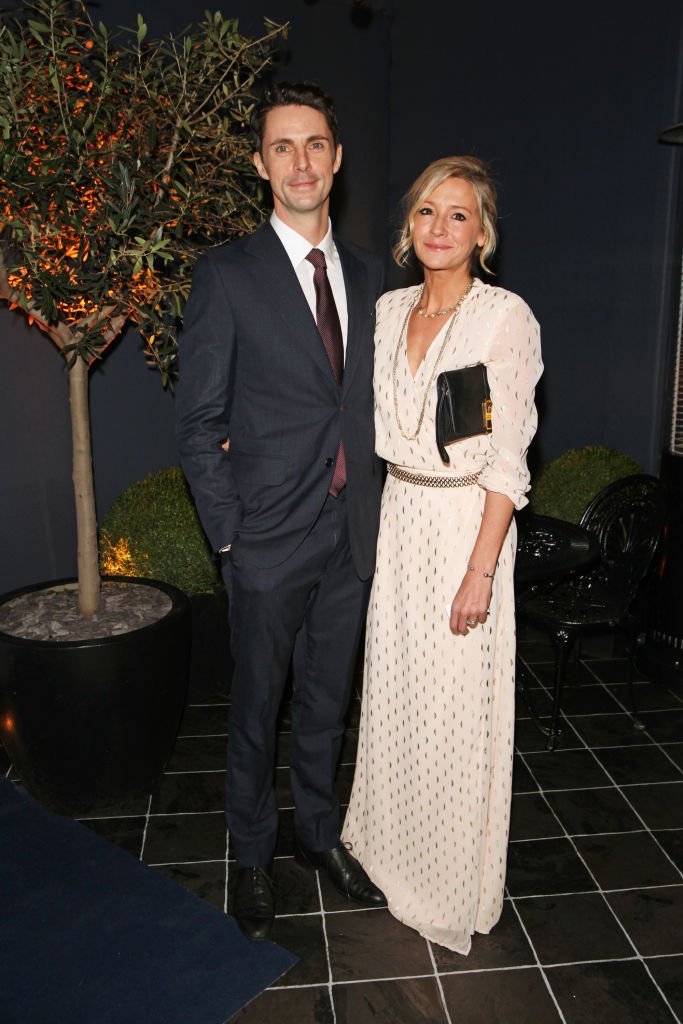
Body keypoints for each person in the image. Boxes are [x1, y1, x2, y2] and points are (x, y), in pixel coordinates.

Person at [175, 82, 385, 941]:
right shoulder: (226, 275)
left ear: (336, 158)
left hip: (352, 533)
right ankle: (253, 857)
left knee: (329, 701)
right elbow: (197, 425)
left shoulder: (375, 276)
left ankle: (318, 835)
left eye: (315, 145)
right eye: (282, 147)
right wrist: (230, 537)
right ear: (259, 165)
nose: (300, 161)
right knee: (256, 709)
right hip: (264, 539)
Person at [341, 156, 543, 954]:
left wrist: (480, 570)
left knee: (457, 709)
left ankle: (447, 876)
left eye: (458, 215)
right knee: (395, 694)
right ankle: (389, 851)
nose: (439, 228)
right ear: (408, 223)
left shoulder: (504, 318)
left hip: (465, 525)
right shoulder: (386, 311)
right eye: (428, 211)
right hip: (399, 517)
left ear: (482, 233)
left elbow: (504, 456)